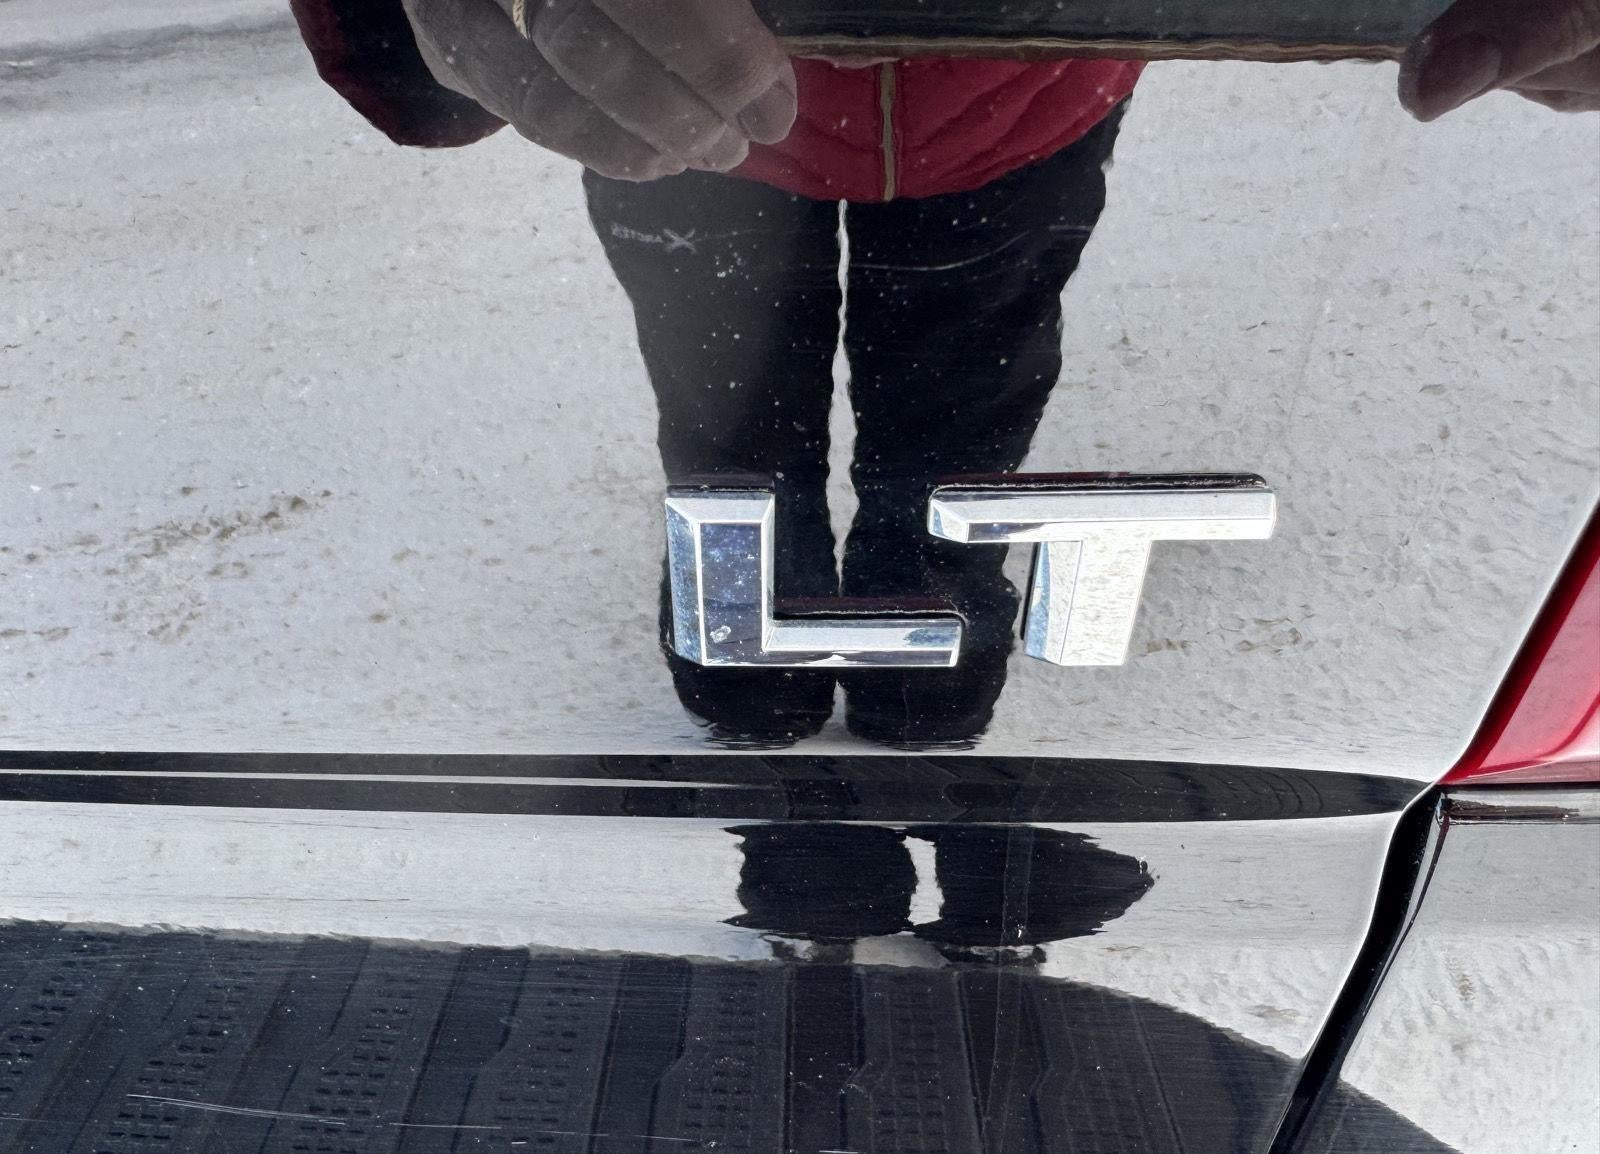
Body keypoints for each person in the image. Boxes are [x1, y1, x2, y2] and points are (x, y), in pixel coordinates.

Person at [288, 0, 1599, 747]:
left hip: (1016, 101)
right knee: (728, 407)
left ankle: (924, 587)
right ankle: (757, 606)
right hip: (679, 96)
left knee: (967, 392)